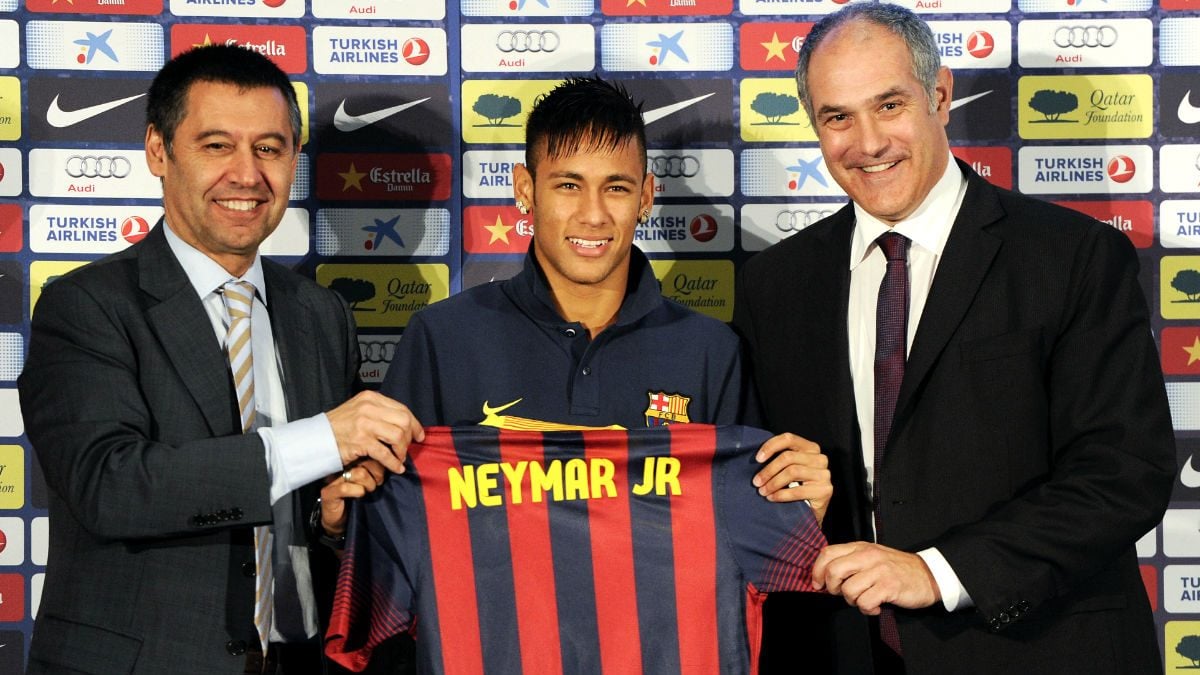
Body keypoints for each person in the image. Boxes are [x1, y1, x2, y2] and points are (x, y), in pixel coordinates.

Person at [317, 76, 833, 673]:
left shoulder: (710, 350)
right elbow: (386, 538)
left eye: (616, 187)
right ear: (524, 191)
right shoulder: (442, 337)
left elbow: (758, 550)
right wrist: (340, 522)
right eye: (568, 185)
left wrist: (802, 513)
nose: (593, 214)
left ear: (646, 196)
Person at [732, 5, 1176, 674]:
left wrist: (936, 572)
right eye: (837, 117)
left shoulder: (1073, 258)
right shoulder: (774, 286)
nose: (869, 141)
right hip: (838, 652)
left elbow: (1122, 473)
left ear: (939, 95)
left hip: (1039, 653)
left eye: (888, 104)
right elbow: (750, 492)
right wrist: (795, 510)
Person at [18, 44, 421, 675]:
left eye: (269, 148)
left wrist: (334, 519)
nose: (246, 174)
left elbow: (320, 516)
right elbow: (111, 486)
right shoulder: (84, 306)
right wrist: (320, 439)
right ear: (159, 151)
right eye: (215, 146)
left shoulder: (320, 315)